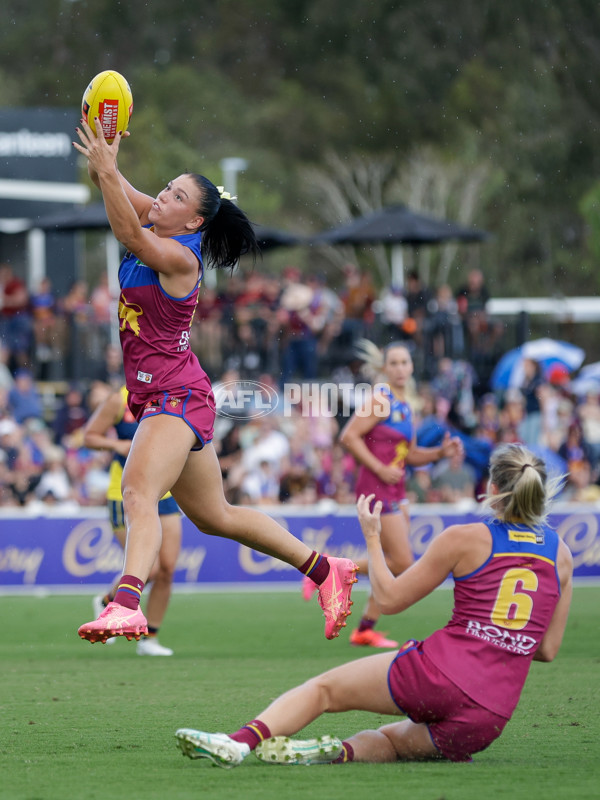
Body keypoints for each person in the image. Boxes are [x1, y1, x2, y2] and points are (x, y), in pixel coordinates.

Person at [73, 118, 357, 644]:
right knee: (215, 516)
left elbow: (126, 231)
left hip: (174, 397)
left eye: (175, 194)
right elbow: (113, 189)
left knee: (137, 491)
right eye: (165, 186)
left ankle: (127, 604)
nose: (161, 195)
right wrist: (104, 157)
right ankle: (324, 569)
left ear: (195, 220)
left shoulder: (180, 257)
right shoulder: (160, 223)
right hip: (175, 393)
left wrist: (109, 173)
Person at [174, 443, 573, 768]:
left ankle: (239, 743)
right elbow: (548, 649)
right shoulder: (563, 555)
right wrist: (500, 638)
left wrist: (372, 536)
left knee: (324, 691)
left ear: (491, 486)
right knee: (393, 744)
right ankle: (333, 752)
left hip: (439, 674)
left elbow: (390, 599)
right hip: (490, 716)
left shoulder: (467, 538)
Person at [305, 340, 462, 649]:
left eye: (405, 362)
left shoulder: (406, 404)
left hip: (395, 488)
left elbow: (410, 454)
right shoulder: (382, 399)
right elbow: (348, 436)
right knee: (402, 563)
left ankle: (364, 628)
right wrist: (379, 467)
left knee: (390, 562)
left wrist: (439, 453)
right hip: (377, 487)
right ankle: (324, 568)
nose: (401, 368)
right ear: (385, 369)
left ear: (412, 367)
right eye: (394, 363)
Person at [83, 385, 181, 656]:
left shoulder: (174, 394)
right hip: (125, 492)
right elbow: (88, 437)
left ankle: (150, 640)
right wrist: (117, 445)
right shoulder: (119, 399)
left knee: (167, 569)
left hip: (165, 490)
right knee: (149, 567)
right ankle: (107, 602)